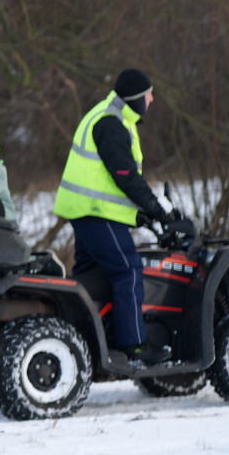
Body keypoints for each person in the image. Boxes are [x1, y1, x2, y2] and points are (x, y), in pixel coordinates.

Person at [53, 69, 177, 365]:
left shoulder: (110, 116)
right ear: (136, 98)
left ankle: (83, 338)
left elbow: (108, 180)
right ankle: (134, 346)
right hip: (96, 213)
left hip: (88, 211)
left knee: (90, 276)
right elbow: (124, 176)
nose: (152, 98)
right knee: (128, 270)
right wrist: (157, 208)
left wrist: (141, 215)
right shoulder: (111, 123)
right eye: (148, 94)